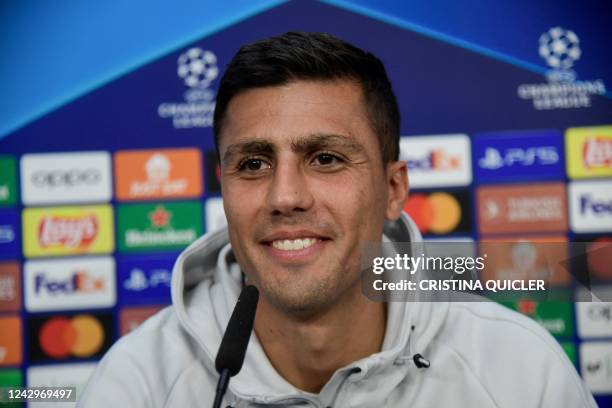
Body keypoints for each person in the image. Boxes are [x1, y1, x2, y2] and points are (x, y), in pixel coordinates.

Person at [79, 32, 596, 407]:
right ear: (224, 186)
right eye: (253, 164)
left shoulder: (522, 372)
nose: (285, 196)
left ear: (394, 190)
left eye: (326, 158)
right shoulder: (137, 385)